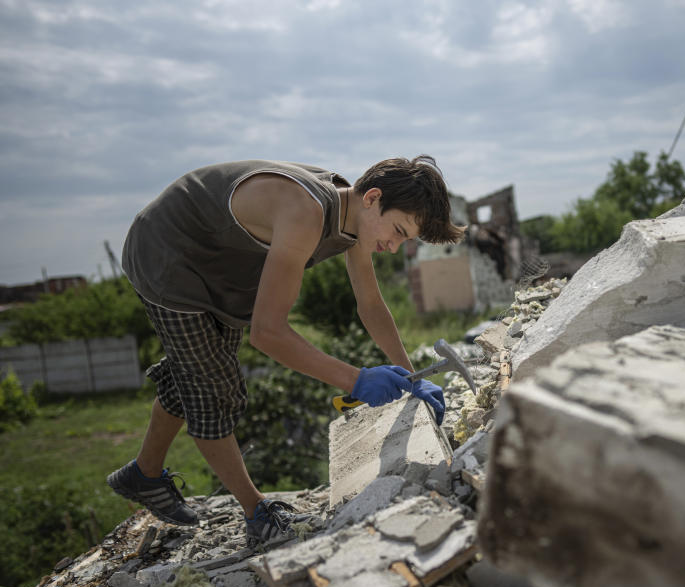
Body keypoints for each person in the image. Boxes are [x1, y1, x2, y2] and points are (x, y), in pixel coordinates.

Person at [107, 156, 464, 547]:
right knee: (213, 388)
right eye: (397, 231)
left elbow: (371, 304)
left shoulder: (355, 215)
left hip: (217, 266)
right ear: (373, 197)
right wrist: (357, 380)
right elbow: (268, 333)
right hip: (168, 254)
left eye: (404, 240)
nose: (393, 248)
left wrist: (409, 377)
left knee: (194, 372)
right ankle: (257, 513)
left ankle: (144, 474)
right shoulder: (305, 212)